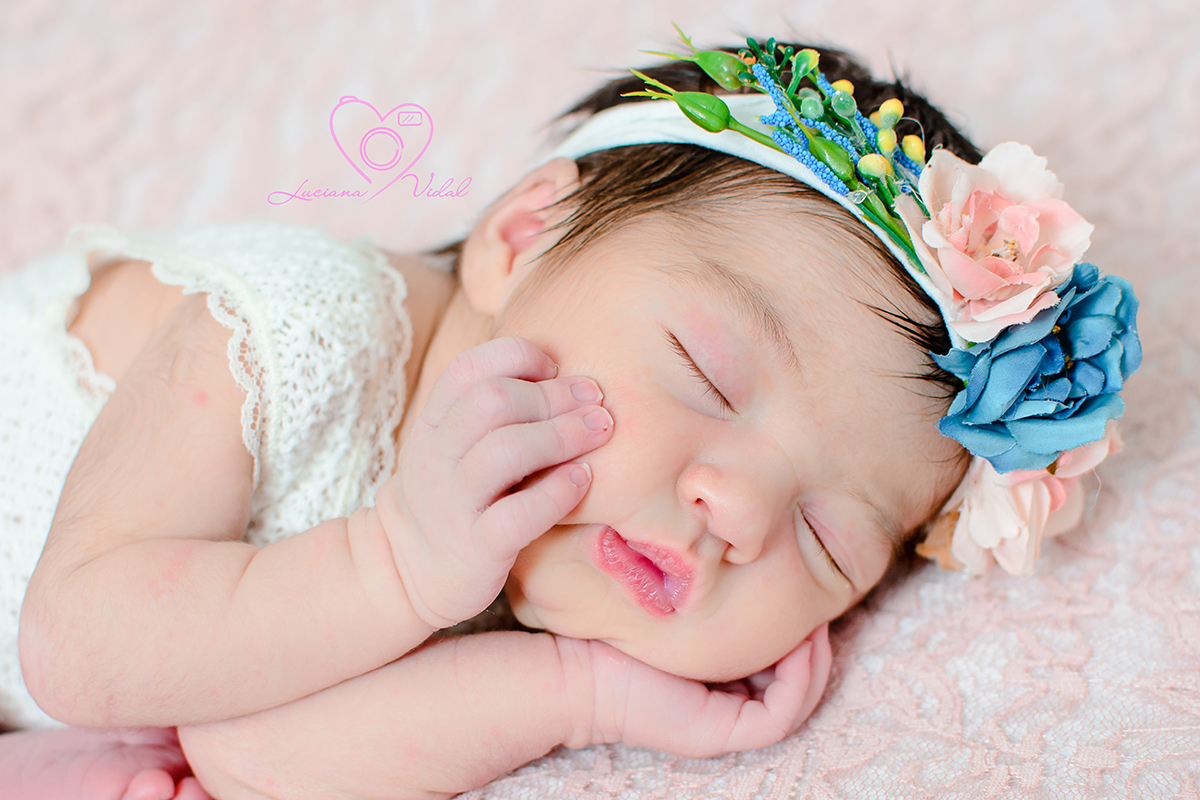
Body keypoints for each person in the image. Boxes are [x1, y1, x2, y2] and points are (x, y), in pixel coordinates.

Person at [0, 30, 1138, 800]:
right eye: (706, 368)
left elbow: (241, 748)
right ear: (521, 236)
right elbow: (80, 649)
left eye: (827, 539)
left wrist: (582, 692)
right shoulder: (302, 329)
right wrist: (396, 564)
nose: (733, 506)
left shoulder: (519, 570)